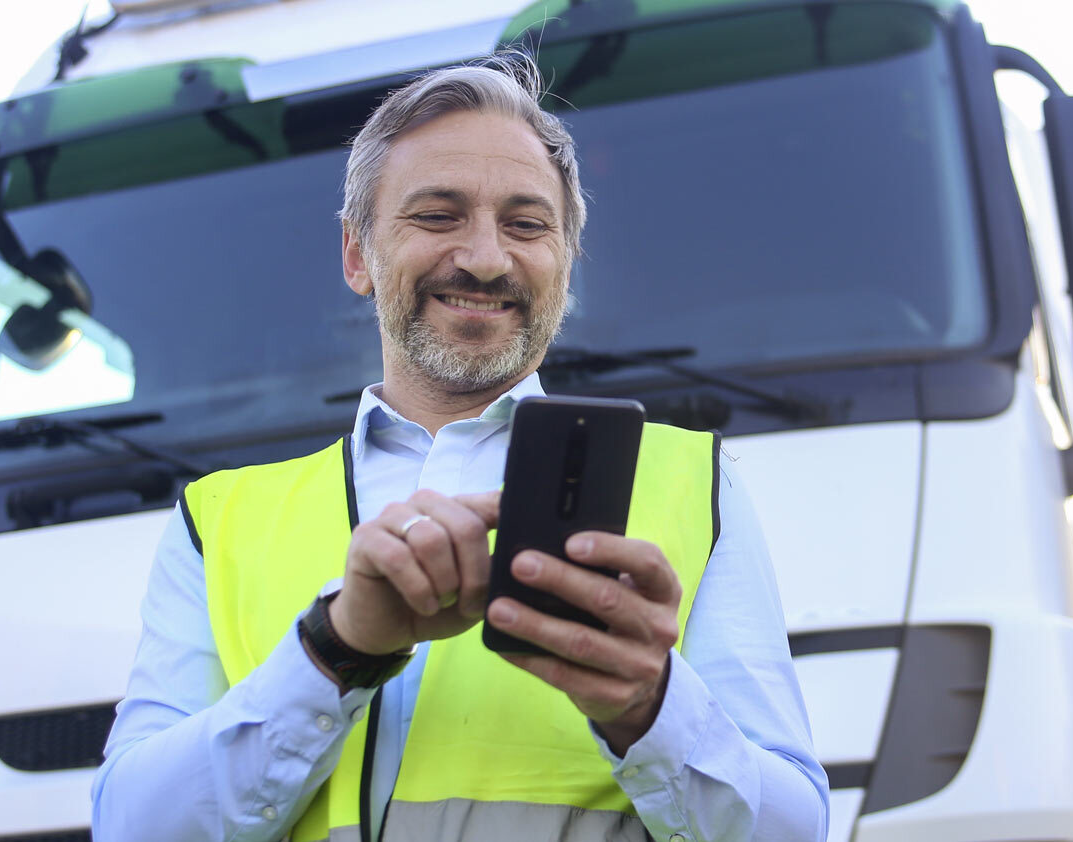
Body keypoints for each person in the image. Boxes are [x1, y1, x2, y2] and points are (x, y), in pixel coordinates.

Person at [91, 53, 828, 842]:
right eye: (438, 215)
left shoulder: (694, 482)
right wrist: (338, 648)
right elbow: (129, 827)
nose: (484, 257)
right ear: (356, 255)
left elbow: (795, 830)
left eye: (526, 223)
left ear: (566, 260)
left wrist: (648, 706)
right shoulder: (218, 521)